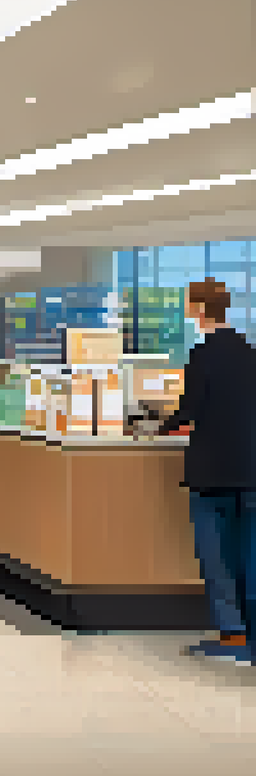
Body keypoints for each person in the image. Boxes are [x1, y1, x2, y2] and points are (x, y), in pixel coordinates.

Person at [159, 278, 256, 662]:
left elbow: (188, 412)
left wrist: (157, 426)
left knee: (215, 553)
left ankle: (231, 634)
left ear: (200, 308)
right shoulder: (249, 352)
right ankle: (250, 635)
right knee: (248, 553)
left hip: (213, 471)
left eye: (188, 303)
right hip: (250, 470)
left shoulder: (203, 354)